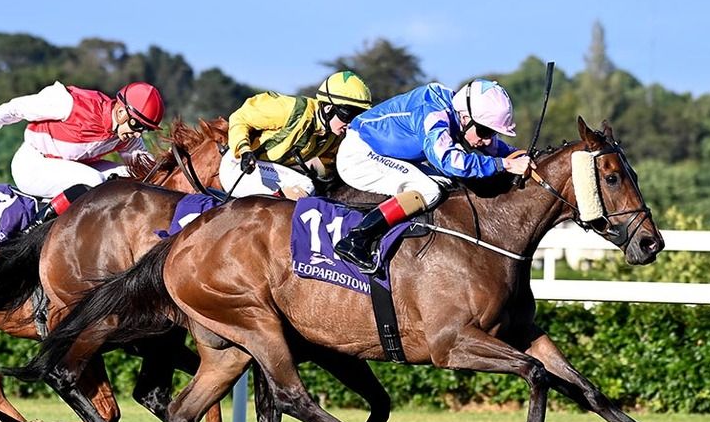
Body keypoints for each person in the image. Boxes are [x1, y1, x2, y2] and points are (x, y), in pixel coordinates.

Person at [334, 78, 532, 273]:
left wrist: (517, 155)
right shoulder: (434, 114)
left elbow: (494, 149)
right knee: (428, 191)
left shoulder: (460, 113)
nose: (487, 140)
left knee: (447, 183)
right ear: (465, 118)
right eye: (485, 131)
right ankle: (356, 240)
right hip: (359, 154)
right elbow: (448, 161)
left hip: (382, 153)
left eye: (492, 133)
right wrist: (504, 164)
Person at [0, 81, 165, 226]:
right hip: (33, 165)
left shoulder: (126, 135)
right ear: (120, 111)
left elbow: (147, 168)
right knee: (92, 180)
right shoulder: (68, 103)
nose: (139, 134)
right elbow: (17, 108)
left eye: (145, 129)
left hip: (72, 166)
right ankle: (35, 228)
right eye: (137, 126)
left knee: (131, 175)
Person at [220, 71, 372, 199]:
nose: (351, 123)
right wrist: (245, 151)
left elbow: (327, 166)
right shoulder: (290, 108)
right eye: (348, 116)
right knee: (305, 185)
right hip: (239, 166)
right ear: (328, 108)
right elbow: (240, 118)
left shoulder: (333, 136)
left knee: (309, 188)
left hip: (268, 172)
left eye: (357, 117)